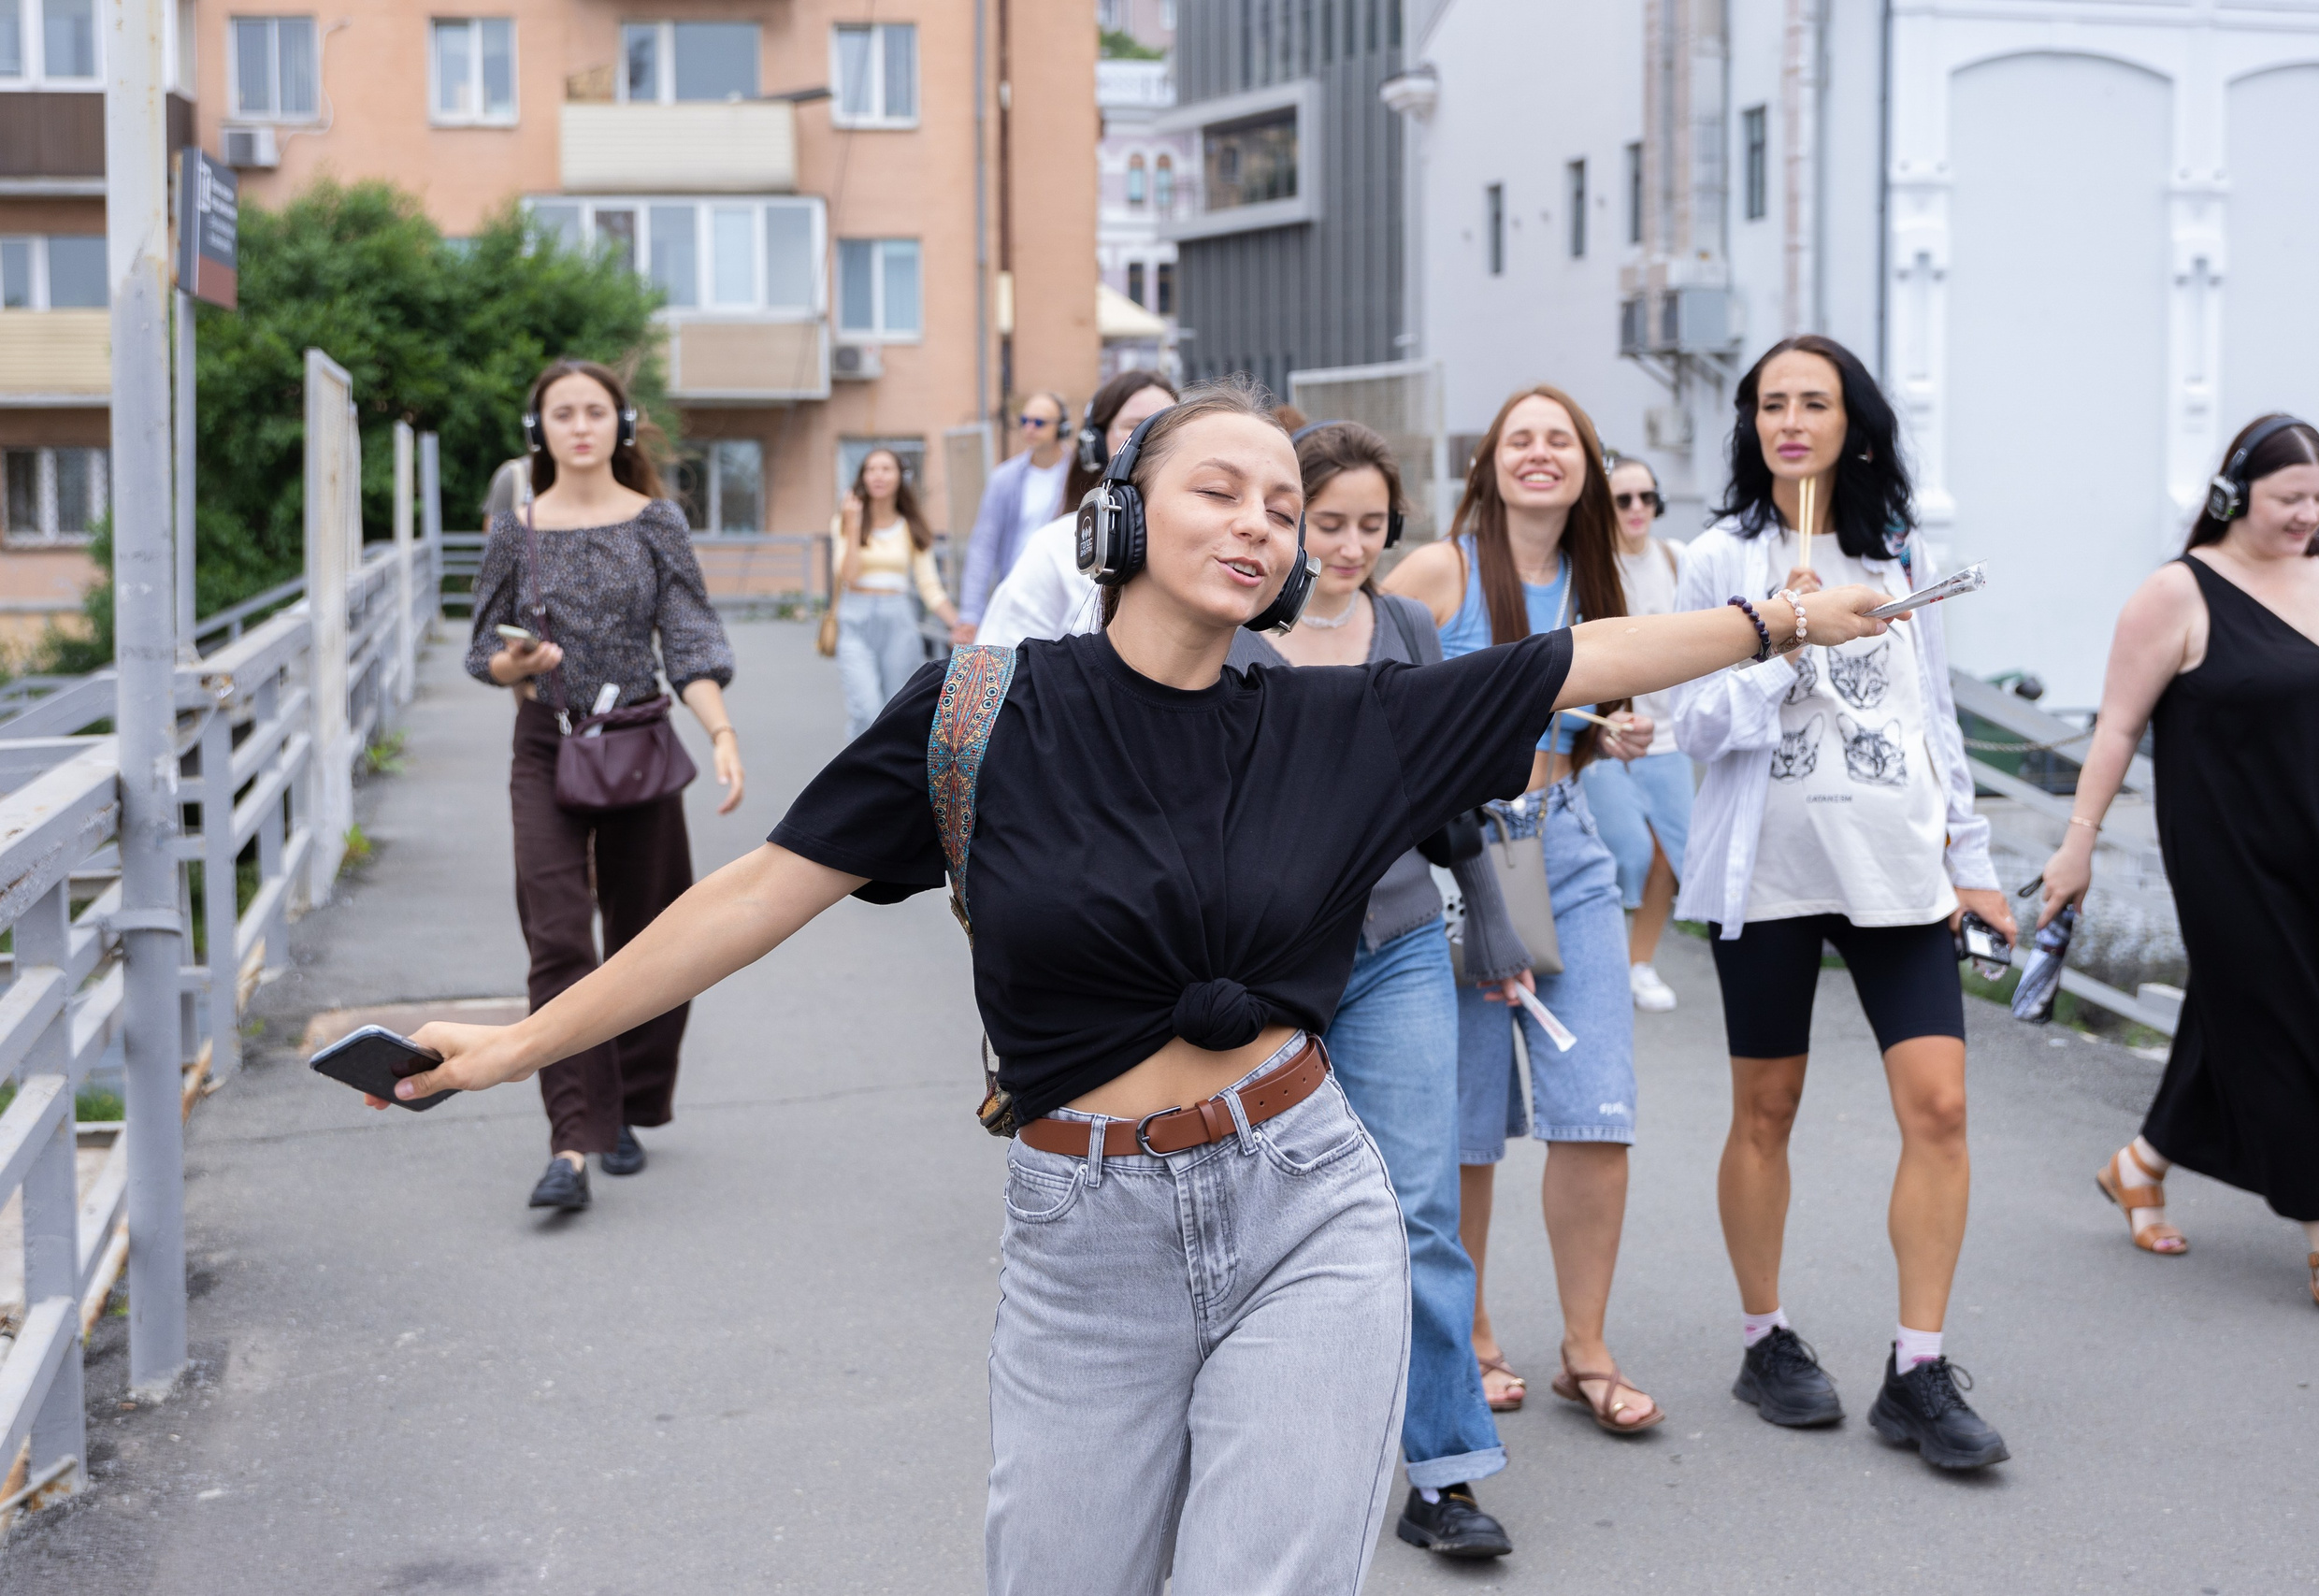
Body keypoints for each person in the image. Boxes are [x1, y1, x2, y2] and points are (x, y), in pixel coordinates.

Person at [391, 377, 1892, 1592]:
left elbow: (1577, 656)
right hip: (1080, 1231)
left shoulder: (1340, 722)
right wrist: (527, 1043)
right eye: (1218, 488)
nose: (1257, 523)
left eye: (1283, 508)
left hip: (1306, 1199)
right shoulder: (982, 711)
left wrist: (1784, 619)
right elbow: (753, 894)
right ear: (1123, 515)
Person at [1673, 334, 2014, 1470]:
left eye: (1813, 403)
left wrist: (1974, 862)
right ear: (1750, 424)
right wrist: (1783, 633)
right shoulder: (1718, 558)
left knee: (1942, 1108)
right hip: (1763, 871)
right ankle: (1763, 1338)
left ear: (1853, 426)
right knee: (1765, 1112)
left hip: (1897, 866)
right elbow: (1694, 726)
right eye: (1771, 403)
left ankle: (1917, 1368)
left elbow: (1935, 723)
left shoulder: (1901, 555)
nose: (1790, 422)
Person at [1225, 421, 1531, 1560]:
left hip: (1400, 943)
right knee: (1265, 1216)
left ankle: (1444, 1469)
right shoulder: (1233, 630)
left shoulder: (1405, 624)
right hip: (1260, 967)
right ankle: (1272, 1449)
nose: (1347, 546)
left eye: (1369, 524)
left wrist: (1491, 925)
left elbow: (1450, 796)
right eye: (1324, 521)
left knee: (1418, 1211)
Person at [2041, 413, 2319, 1330]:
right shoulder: (2178, 593)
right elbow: (2116, 726)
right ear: (2234, 495)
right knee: (2302, 1029)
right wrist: (2077, 841)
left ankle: (2140, 1166)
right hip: (2230, 852)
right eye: (2288, 499)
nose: (2306, 515)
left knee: (2261, 1009)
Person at [1385, 385, 1663, 1436]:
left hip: (1569, 846)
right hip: (1454, 861)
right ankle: (1476, 1333)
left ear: (1587, 465)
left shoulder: (1602, 585)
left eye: (1561, 440)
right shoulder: (1437, 572)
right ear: (1488, 462)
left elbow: (1606, 710)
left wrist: (1618, 732)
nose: (1539, 454)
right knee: (1459, 1124)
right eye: (1520, 439)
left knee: (1596, 1111)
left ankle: (1584, 1349)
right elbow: (1372, 704)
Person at [465, 358, 743, 1213]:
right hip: (546, 743)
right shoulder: (518, 530)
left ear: (619, 427)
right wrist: (512, 664)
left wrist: (722, 731)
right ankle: (573, 1140)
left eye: (595, 411)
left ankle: (627, 1100)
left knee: (650, 937)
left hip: (638, 743)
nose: (579, 425)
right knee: (557, 938)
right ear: (538, 431)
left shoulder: (658, 522)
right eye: (562, 412)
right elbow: (482, 649)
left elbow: (689, 638)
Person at [1579, 455, 1695, 1013]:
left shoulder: (1677, 559)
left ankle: (1639, 962)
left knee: (1670, 855)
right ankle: (1603, 959)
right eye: (1623, 499)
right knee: (1620, 849)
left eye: (1645, 497)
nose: (1636, 509)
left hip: (1669, 733)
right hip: (1609, 733)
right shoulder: (1588, 565)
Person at [975, 371, 1176, 650]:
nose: (1152, 437)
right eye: (1135, 425)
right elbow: (988, 670)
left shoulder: (1210, 545)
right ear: (1094, 444)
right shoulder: (1054, 546)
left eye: (1167, 426)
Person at [828, 448, 959, 739]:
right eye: (871, 469)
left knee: (893, 711)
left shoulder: (910, 526)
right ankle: (856, 779)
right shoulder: (845, 521)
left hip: (898, 620)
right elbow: (847, 574)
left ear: (900, 477)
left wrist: (957, 624)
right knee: (865, 710)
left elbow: (929, 586)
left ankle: (885, 781)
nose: (878, 475)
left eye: (886, 469)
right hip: (854, 617)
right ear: (863, 476)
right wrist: (852, 526)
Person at [954, 392, 1073, 641]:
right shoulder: (1004, 478)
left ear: (1062, 428)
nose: (1030, 428)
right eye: (1025, 420)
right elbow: (983, 547)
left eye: (1039, 422)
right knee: (1001, 675)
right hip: (1016, 594)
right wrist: (970, 615)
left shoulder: (1079, 476)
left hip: (1066, 598)